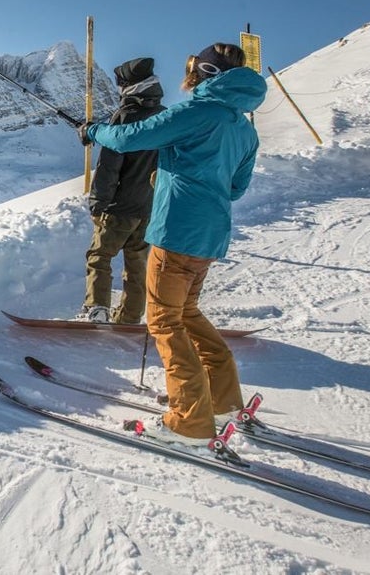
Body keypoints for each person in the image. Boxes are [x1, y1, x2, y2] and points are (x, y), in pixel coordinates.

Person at [78, 43, 265, 444]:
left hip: (177, 231)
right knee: (187, 313)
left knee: (164, 322)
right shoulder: (244, 127)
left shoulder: (197, 112)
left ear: (205, 72)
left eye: (192, 67)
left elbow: (129, 138)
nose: (188, 75)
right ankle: (224, 398)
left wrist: (94, 130)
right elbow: (235, 187)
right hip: (210, 235)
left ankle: (189, 420)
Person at [75, 57, 163, 324]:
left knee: (99, 256)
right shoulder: (165, 117)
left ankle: (97, 308)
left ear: (130, 87)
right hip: (148, 207)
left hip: (119, 208)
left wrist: (98, 203)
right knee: (136, 263)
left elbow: (109, 168)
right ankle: (130, 316)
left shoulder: (124, 118)